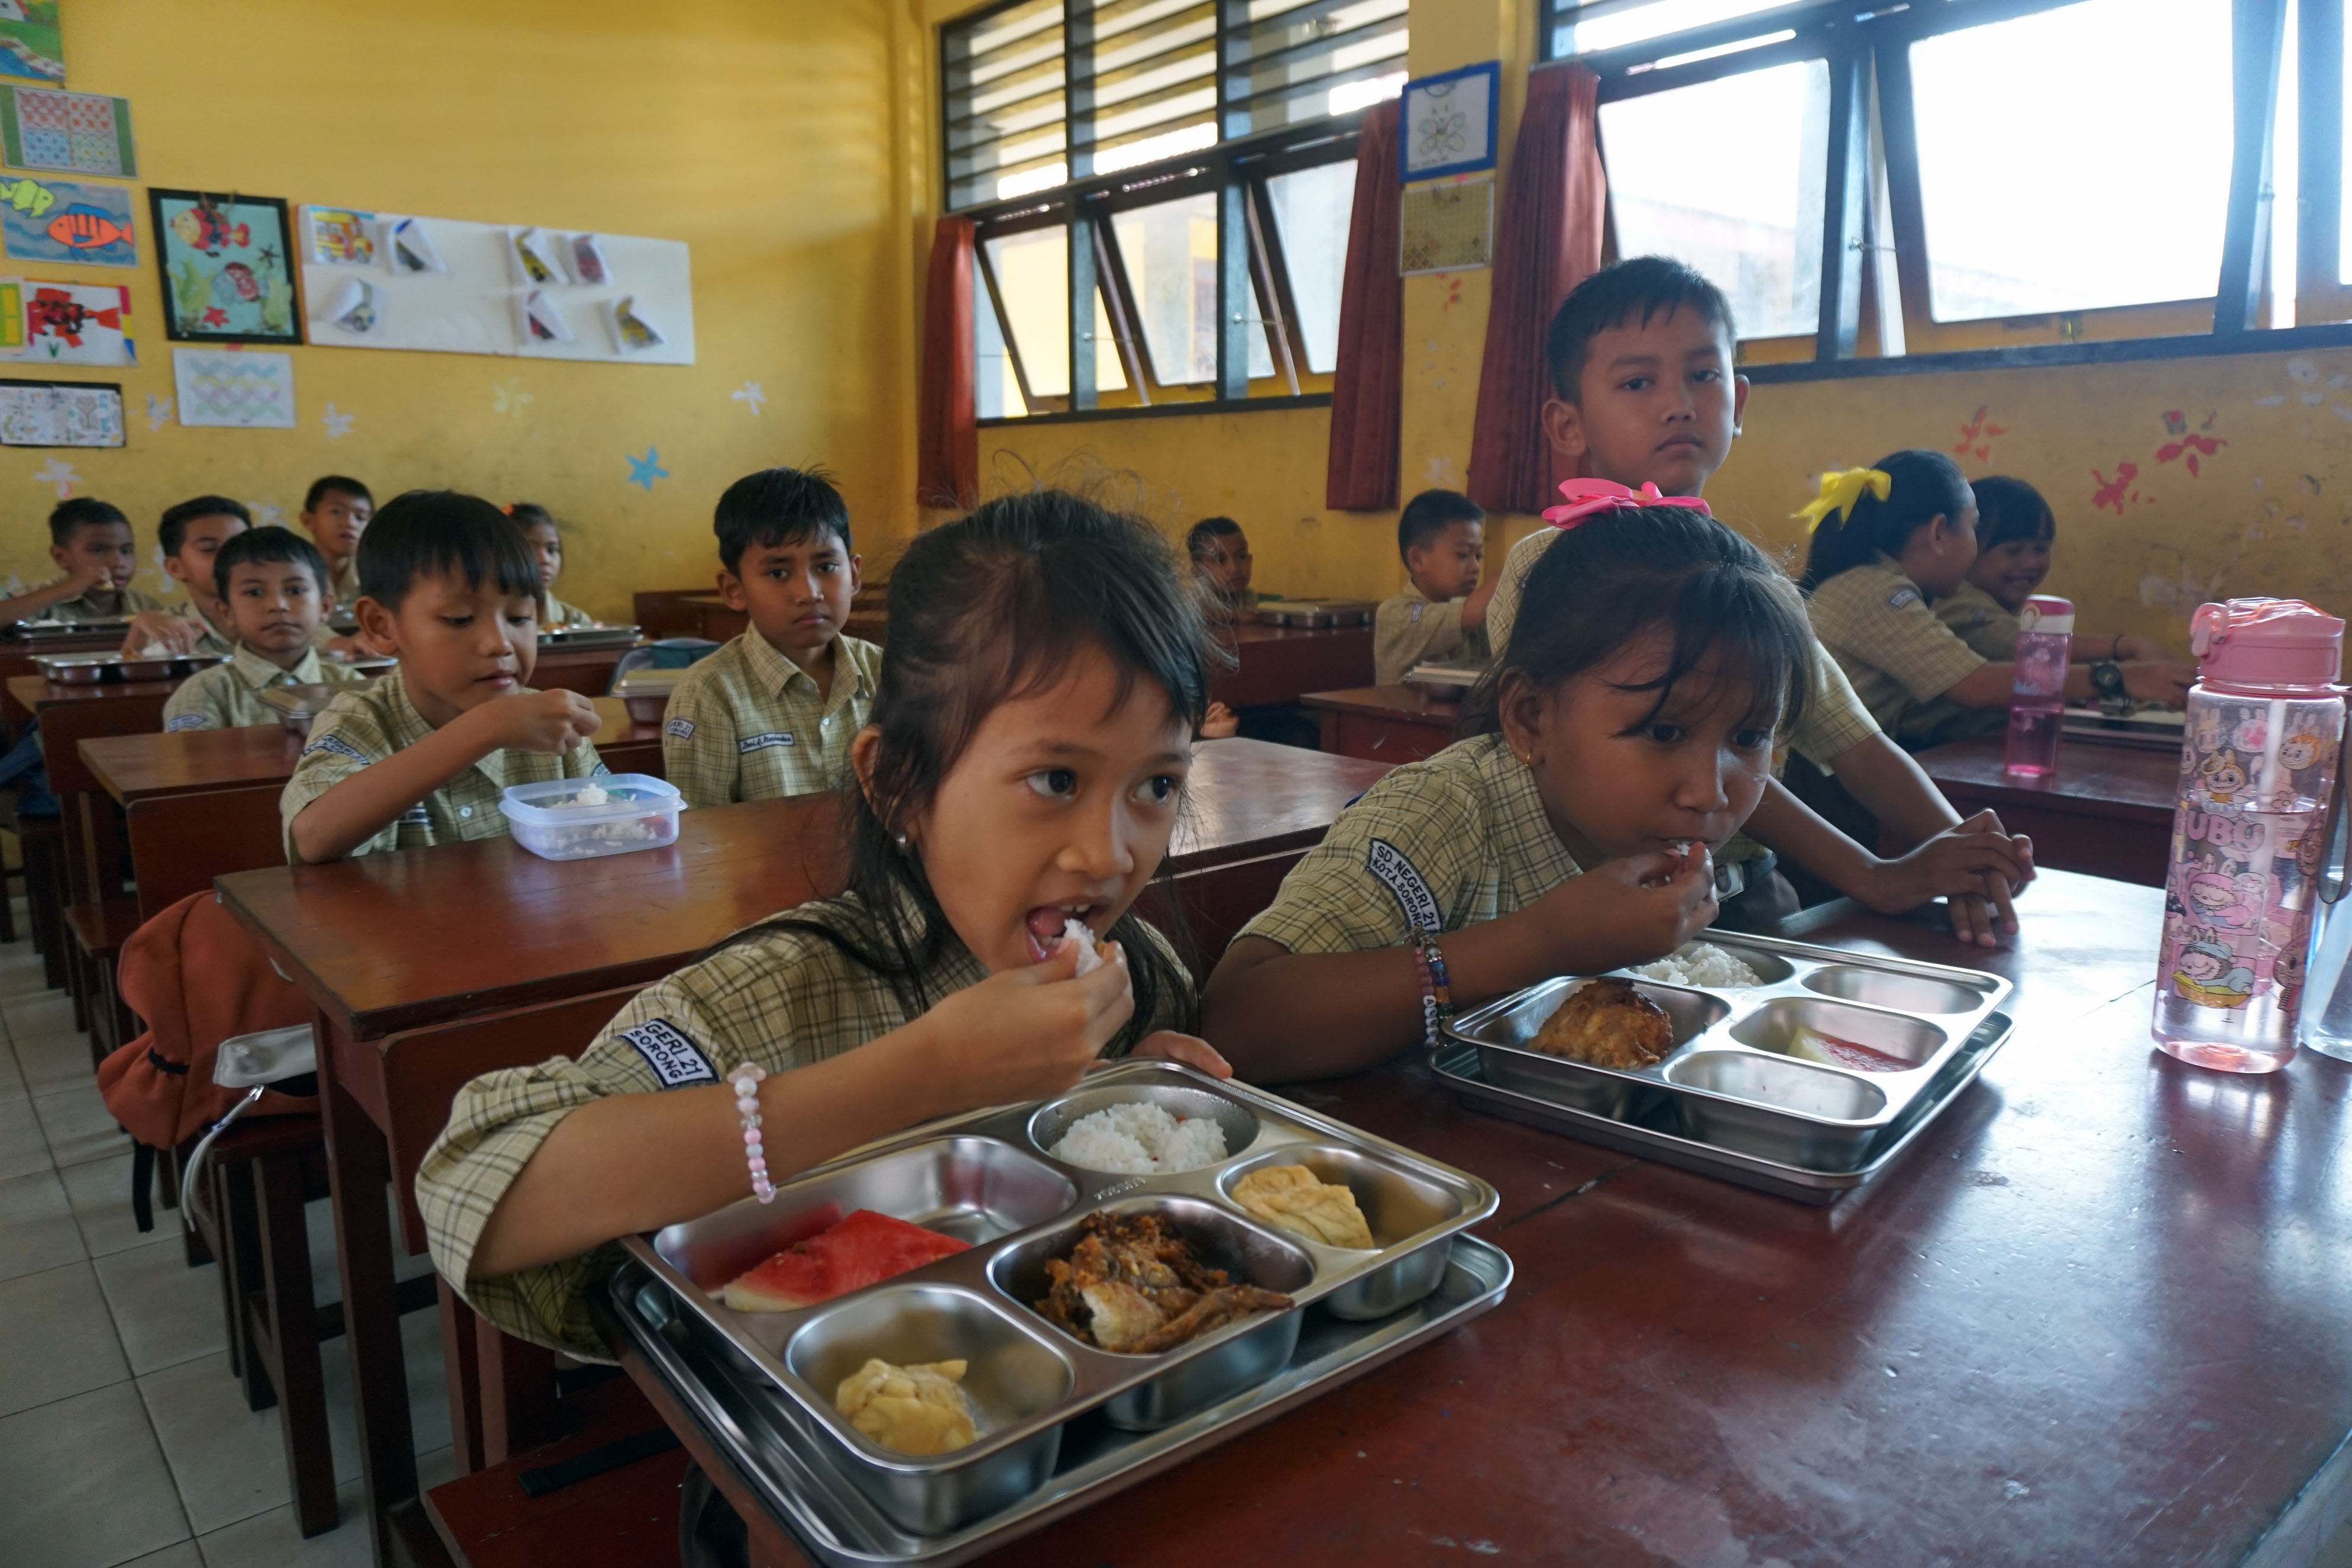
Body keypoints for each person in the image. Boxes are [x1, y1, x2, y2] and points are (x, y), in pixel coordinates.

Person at [416, 490, 1229, 1356]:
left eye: (1156, 785)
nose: (1108, 856)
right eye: (1056, 781)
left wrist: (1143, 1096)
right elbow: (474, 1186)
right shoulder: (772, 993)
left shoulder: (1137, 968)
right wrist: (920, 1075)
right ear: (897, 784)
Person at [1484, 257, 2030, 945]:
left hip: (1737, 896)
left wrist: (1963, 853)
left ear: (1738, 404)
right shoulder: (1543, 569)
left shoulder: (1746, 580)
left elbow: (1858, 745)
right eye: (1637, 382)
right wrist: (1872, 876)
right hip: (1586, 904)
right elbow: (1691, 757)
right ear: (1567, 425)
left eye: (1702, 375)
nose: (1678, 403)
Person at [1201, 501, 1811, 1080]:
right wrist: (1544, 943)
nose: (1708, 793)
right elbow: (1237, 1023)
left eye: (1749, 736)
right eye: (1663, 731)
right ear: (1530, 719)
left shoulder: (1683, 830)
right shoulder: (1438, 817)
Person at [279, 491, 604, 863]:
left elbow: (612, 832)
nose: (499, 644)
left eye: (518, 618)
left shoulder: (553, 725)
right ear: (381, 626)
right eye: (459, 619)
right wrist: (484, 729)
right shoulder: (360, 720)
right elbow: (313, 837)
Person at [1801, 452, 2195, 747]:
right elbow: (1977, 686)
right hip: (1823, 791)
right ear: (1938, 533)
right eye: (1972, 528)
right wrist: (2118, 677)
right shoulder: (1878, 592)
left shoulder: (1870, 582)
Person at [659, 467, 883, 808]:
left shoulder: (888, 673)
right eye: (778, 573)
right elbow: (696, 828)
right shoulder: (709, 694)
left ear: (853, 575)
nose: (809, 593)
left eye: (826, 567)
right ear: (734, 590)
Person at [1933, 475, 2166, 664]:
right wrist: (2126, 646)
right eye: (2013, 551)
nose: (2031, 563)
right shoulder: (1952, 604)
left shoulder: (2014, 608)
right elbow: (2028, 645)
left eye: (2041, 549)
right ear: (1965, 550)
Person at [161, 527, 363, 731]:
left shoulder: (354, 687)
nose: (278, 605)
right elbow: (193, 753)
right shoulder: (203, 692)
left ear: (325, 606)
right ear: (227, 613)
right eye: (255, 592)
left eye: (295, 590)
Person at [1374, 489, 1495, 686]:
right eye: (1463, 555)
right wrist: (1517, 567)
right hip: (1406, 708)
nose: (1475, 567)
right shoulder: (1394, 615)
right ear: (1418, 559)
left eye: (1478, 556)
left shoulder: (1477, 613)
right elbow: (1470, 615)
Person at [117, 496, 251, 656]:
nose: (230, 557)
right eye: (209, 549)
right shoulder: (162, 632)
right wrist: (138, 637)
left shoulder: (275, 614)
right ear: (175, 568)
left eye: (239, 546)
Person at [0, 498, 168, 624]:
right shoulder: (39, 600)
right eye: (98, 551)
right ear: (61, 557)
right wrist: (66, 588)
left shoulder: (145, 606)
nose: (118, 562)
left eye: (126, 551)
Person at [510, 502, 597, 628]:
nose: (545, 560)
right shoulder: (488, 619)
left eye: (552, 550)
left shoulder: (575, 620)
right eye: (530, 549)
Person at [299, 475, 374, 607]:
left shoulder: (374, 574)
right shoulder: (294, 572)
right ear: (308, 521)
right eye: (336, 512)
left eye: (360, 517)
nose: (350, 523)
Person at [1187, 516, 1260, 613]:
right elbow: (1202, 616)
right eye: (1220, 560)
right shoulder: (1190, 604)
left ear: (1250, 560)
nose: (1235, 569)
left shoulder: (1250, 598)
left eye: (1242, 557)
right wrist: (1239, 617)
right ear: (1198, 570)